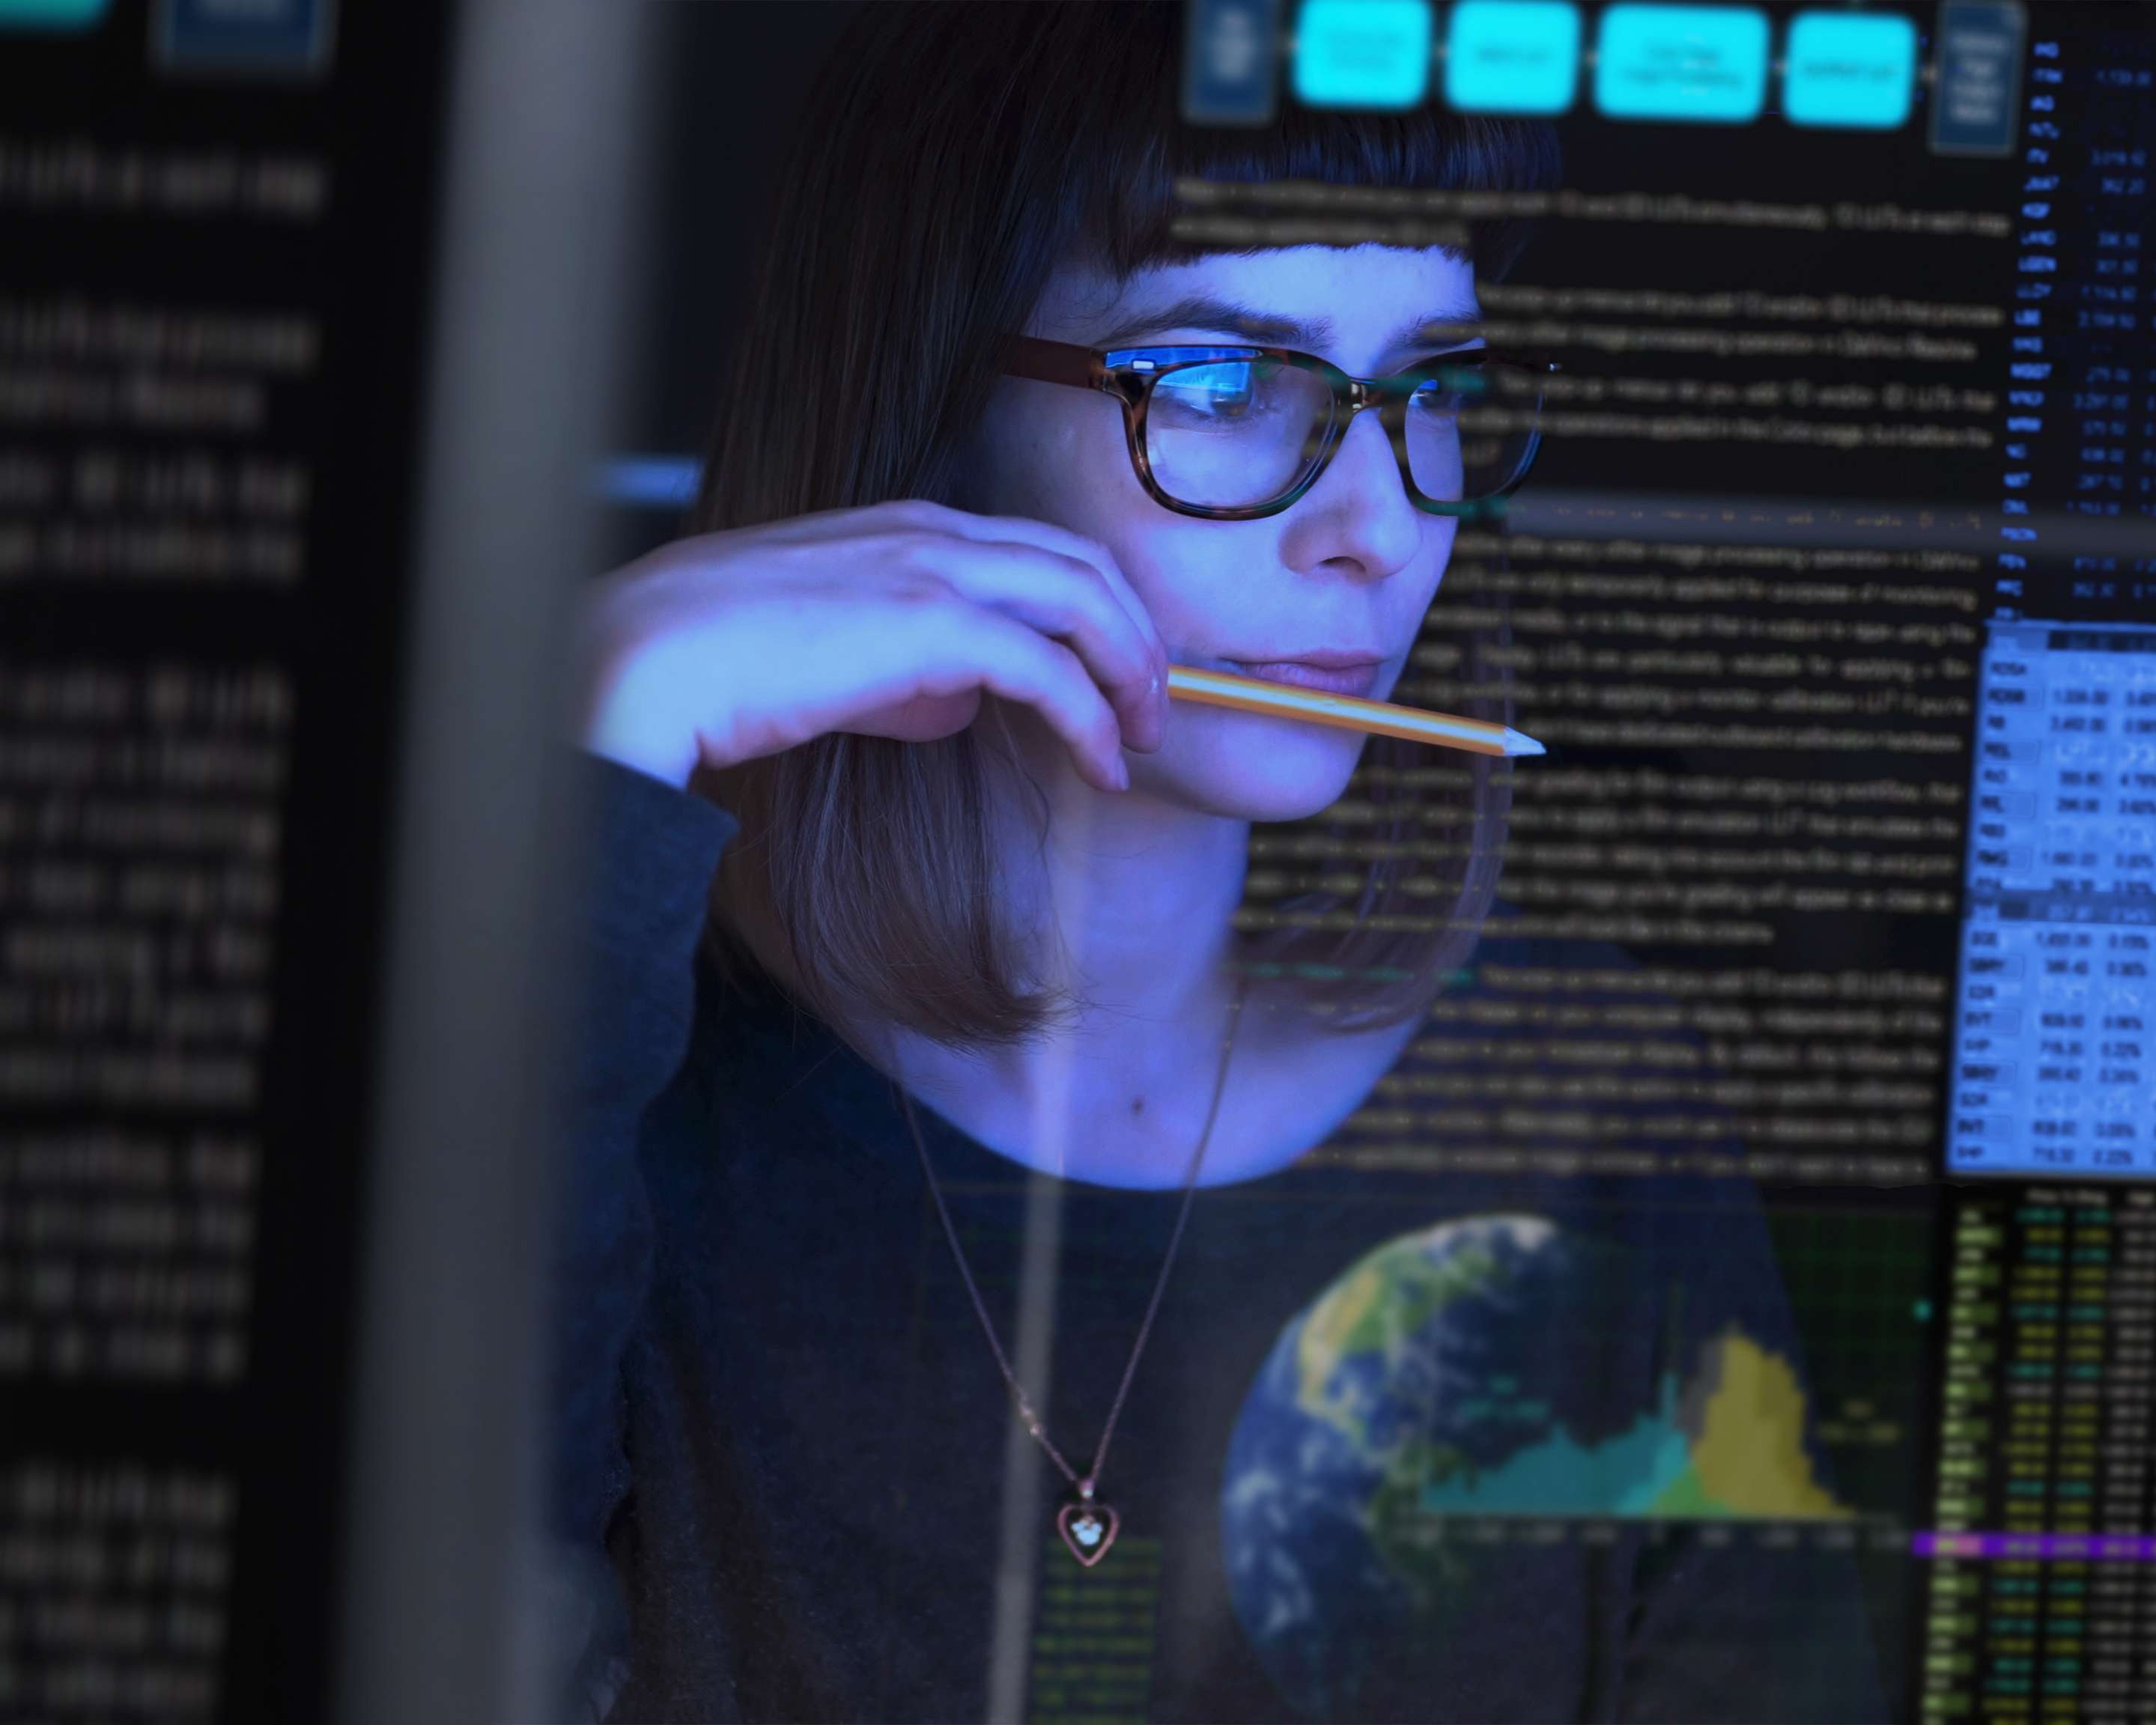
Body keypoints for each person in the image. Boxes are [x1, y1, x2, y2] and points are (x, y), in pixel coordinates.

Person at [553, 4, 1890, 1720]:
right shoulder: (625, 1092)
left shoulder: (1589, 1105)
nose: (1383, 530)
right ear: (924, 402)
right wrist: (604, 737)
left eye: (1433, 391)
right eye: (1218, 382)